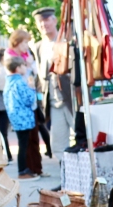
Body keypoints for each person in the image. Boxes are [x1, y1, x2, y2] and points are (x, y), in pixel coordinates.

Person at [33, 7, 75, 156]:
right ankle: (64, 170)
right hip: (52, 101)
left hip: (71, 97)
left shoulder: (67, 41)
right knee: (57, 144)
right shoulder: (38, 47)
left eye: (46, 20)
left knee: (82, 136)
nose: (43, 25)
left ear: (55, 21)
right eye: (40, 22)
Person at [8, 28, 49, 174]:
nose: (27, 46)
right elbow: (24, 89)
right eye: (24, 42)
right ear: (17, 41)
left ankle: (36, 168)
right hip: (22, 106)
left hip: (30, 105)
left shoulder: (27, 56)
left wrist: (31, 66)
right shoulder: (11, 59)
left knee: (34, 138)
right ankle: (26, 169)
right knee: (25, 141)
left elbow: (35, 75)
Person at [3, 54, 39, 180]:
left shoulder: (8, 82)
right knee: (24, 145)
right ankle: (22, 170)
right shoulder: (20, 82)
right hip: (23, 118)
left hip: (15, 117)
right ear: (17, 68)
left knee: (23, 144)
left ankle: (24, 169)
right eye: (23, 65)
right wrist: (32, 88)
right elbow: (29, 99)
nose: (25, 67)